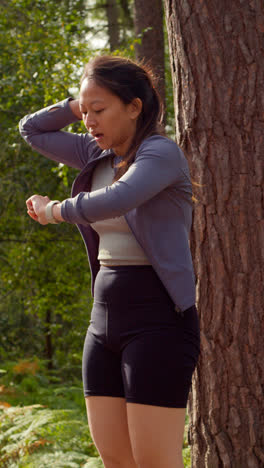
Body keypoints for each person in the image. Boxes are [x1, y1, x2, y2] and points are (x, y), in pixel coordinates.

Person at [19, 55, 200, 468]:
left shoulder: (161, 154)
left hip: (159, 323)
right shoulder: (96, 153)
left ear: (134, 106)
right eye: (86, 112)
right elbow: (31, 130)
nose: (88, 121)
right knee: (116, 460)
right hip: (102, 324)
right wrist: (78, 97)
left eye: (99, 110)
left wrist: (55, 211)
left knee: (155, 462)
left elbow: (119, 197)